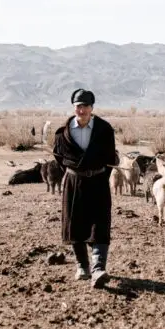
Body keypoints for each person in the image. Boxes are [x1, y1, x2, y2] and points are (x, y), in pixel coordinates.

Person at [53, 89, 118, 288]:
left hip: (98, 181)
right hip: (74, 182)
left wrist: (95, 173)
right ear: (74, 107)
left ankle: (99, 268)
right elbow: (59, 158)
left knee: (100, 222)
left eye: (85, 106)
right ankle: (82, 265)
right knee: (74, 223)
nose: (81, 110)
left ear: (92, 108)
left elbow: (110, 159)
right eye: (78, 106)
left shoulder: (104, 129)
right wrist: (76, 172)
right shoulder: (62, 132)